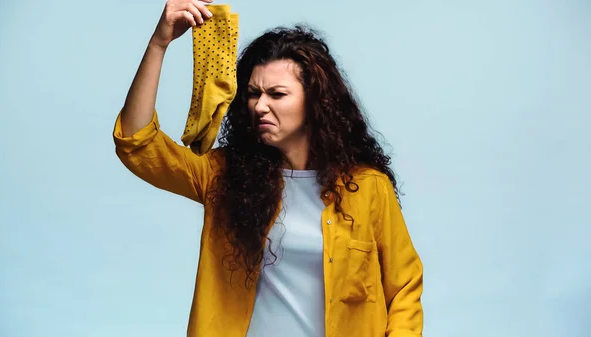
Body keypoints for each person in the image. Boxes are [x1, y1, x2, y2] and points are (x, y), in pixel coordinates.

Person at [113, 0, 424, 336]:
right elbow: (136, 143)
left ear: (316, 102)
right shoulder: (223, 175)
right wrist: (159, 44)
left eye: (277, 94)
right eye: (252, 94)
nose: (260, 106)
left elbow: (404, 287)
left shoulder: (368, 187)